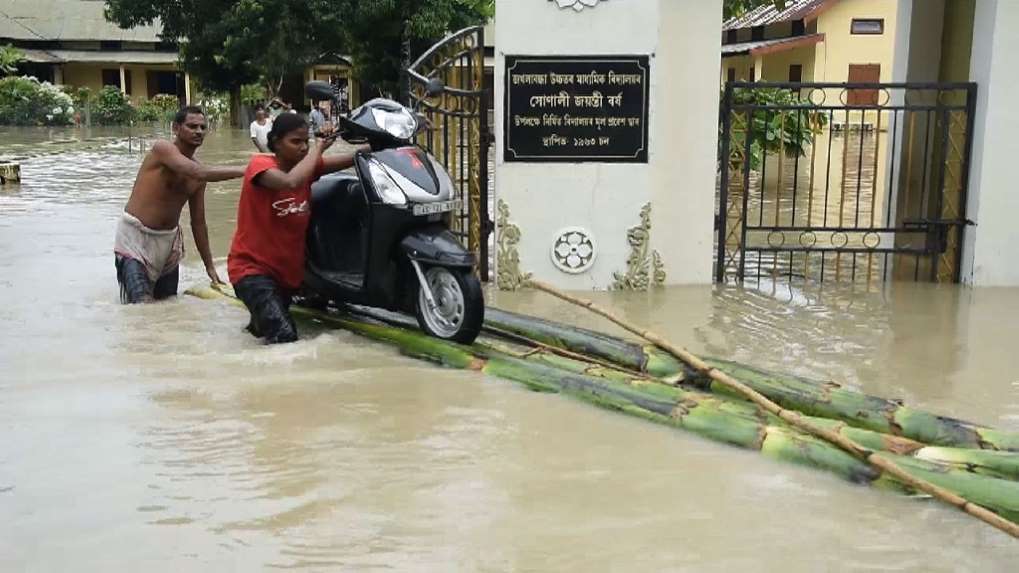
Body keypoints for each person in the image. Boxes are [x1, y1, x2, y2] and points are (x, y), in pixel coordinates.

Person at [227, 113, 365, 344]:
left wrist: (389, 139)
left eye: (306, 142)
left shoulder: (307, 168)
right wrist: (318, 149)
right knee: (284, 337)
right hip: (252, 271)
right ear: (276, 142)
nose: (303, 148)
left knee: (262, 333)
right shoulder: (259, 166)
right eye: (295, 141)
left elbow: (354, 158)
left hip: (286, 277)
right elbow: (290, 181)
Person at [115, 106, 245, 304]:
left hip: (168, 242)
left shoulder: (199, 174)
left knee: (169, 305)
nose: (199, 131)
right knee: (141, 307)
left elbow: (198, 223)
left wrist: (209, 266)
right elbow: (197, 172)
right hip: (135, 239)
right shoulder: (163, 149)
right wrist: (247, 170)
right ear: (176, 128)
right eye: (192, 126)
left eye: (203, 127)